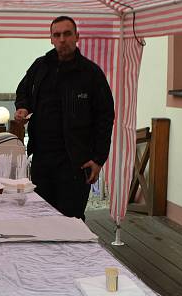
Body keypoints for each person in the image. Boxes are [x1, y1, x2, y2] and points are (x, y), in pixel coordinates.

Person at [14, 16, 115, 219]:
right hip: (42, 159)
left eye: (67, 34)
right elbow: (22, 91)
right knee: (41, 218)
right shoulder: (40, 66)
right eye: (57, 35)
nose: (62, 39)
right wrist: (23, 108)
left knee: (71, 221)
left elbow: (105, 117)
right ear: (51, 39)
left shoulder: (91, 73)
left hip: (76, 163)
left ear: (77, 37)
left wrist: (98, 159)